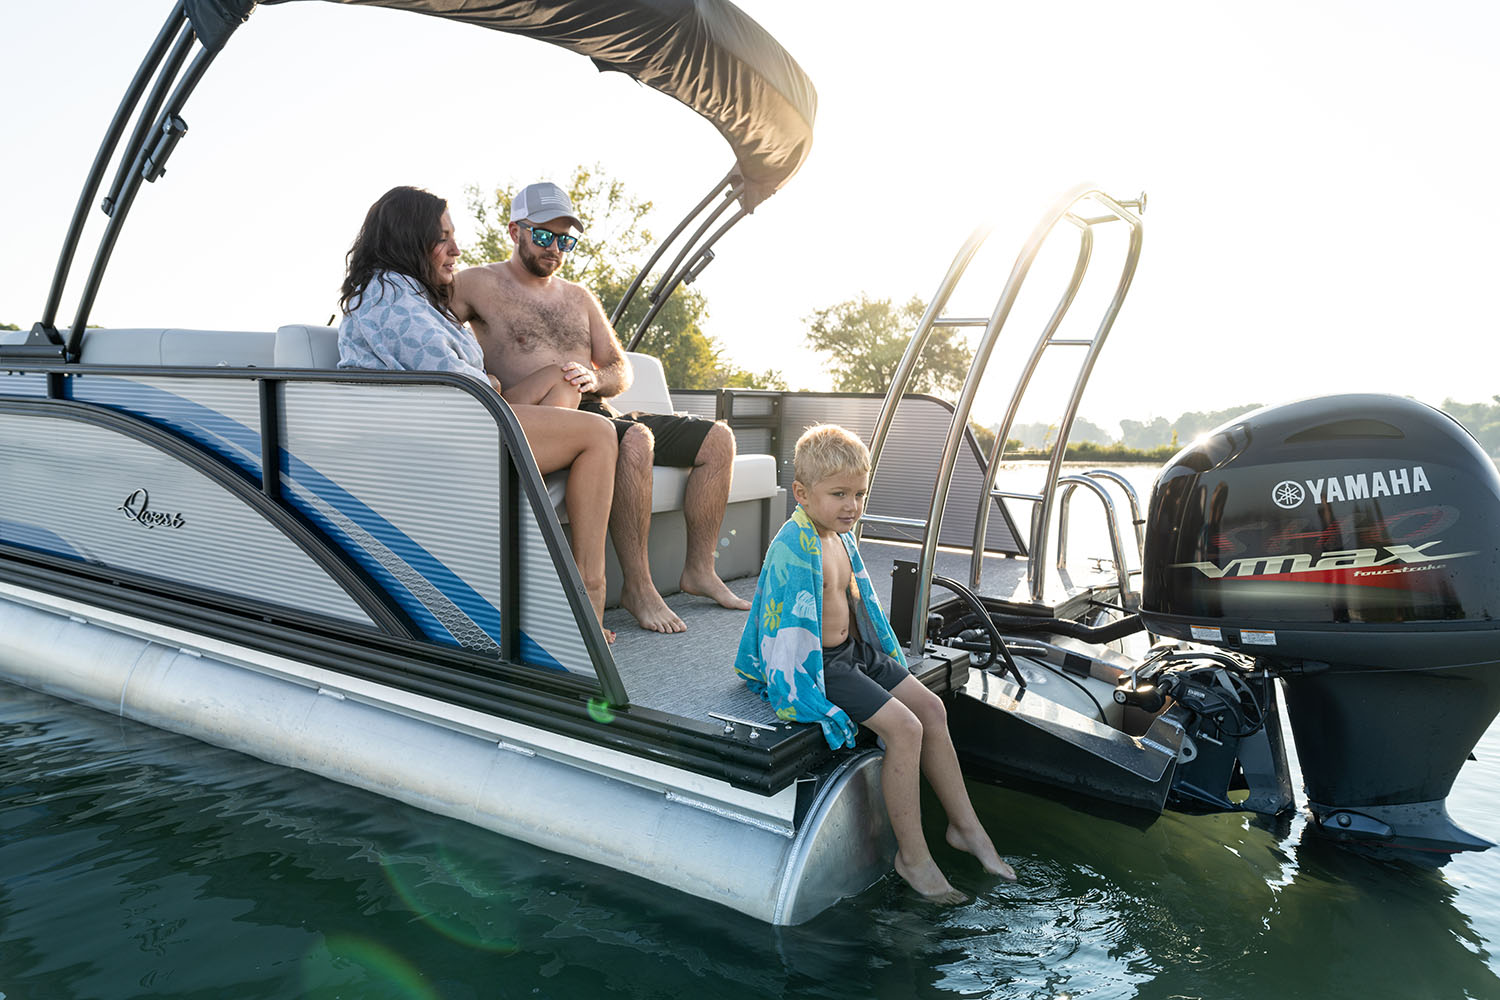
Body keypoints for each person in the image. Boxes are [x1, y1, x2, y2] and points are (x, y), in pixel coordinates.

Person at [451, 181, 750, 635]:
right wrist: (478, 377)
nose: (556, 249)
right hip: (548, 417)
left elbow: (618, 367)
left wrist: (597, 378)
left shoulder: (579, 297)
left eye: (565, 240)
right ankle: (639, 588)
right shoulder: (474, 284)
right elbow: (433, 337)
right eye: (544, 236)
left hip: (599, 407)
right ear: (515, 231)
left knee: (718, 439)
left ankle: (699, 569)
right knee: (636, 440)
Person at [735, 424, 1016, 903]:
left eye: (859, 494)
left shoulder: (837, 535)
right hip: (820, 664)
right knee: (904, 729)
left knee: (932, 709)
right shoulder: (792, 544)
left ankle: (965, 827)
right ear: (801, 493)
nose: (852, 505)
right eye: (839, 494)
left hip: (853, 652)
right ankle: (913, 857)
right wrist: (800, 693)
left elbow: (856, 602)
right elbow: (779, 627)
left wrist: (877, 651)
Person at [337, 185, 619, 638]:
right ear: (409, 240)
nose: (456, 250)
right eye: (442, 239)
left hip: (459, 417)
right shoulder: (389, 298)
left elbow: (457, 373)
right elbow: (458, 384)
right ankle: (588, 593)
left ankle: (527, 496)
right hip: (444, 432)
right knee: (597, 434)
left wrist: (489, 381)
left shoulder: (410, 293)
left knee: (562, 377)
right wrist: (489, 382)